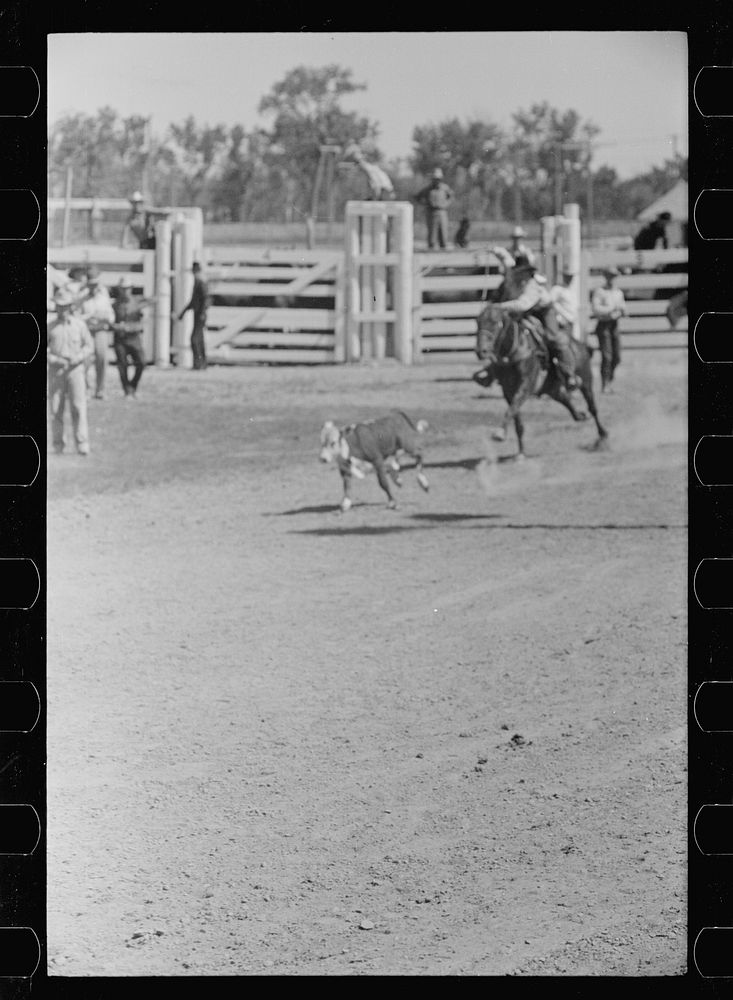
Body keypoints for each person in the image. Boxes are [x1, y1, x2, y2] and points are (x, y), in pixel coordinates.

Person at [494, 256, 579, 391]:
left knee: (553, 338)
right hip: (529, 312)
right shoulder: (519, 283)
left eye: (520, 271)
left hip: (545, 312)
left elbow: (523, 304)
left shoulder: (532, 286)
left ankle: (568, 372)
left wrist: (501, 306)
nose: (517, 274)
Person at [47, 289, 94, 455]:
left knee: (78, 407)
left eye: (66, 306)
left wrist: (78, 357)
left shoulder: (79, 325)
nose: (63, 310)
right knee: (55, 408)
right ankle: (58, 445)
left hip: (75, 370)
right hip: (56, 371)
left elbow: (89, 346)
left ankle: (82, 445)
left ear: (71, 306)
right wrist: (54, 359)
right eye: (60, 306)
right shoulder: (50, 326)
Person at [79, 266, 115, 400]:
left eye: (95, 284)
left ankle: (100, 390)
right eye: (91, 284)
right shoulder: (82, 297)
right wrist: (89, 316)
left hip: (101, 331)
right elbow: (77, 316)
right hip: (87, 331)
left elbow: (111, 316)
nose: (93, 287)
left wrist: (104, 317)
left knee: (102, 359)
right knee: (85, 361)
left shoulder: (103, 296)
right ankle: (86, 389)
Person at [591, 266, 627, 392]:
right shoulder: (600, 291)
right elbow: (596, 309)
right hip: (603, 325)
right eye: (609, 276)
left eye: (613, 276)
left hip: (614, 325)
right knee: (607, 356)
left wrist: (621, 310)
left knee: (617, 356)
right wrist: (611, 309)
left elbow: (623, 307)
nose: (611, 279)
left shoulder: (618, 292)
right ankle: (605, 384)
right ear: (605, 277)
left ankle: (610, 380)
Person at [111, 276, 147, 398]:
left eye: (127, 288)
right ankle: (127, 390)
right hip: (120, 338)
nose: (125, 291)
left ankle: (133, 385)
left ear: (131, 289)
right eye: (123, 289)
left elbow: (143, 321)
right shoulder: (115, 305)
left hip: (134, 338)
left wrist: (131, 327)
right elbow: (111, 321)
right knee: (122, 365)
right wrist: (117, 326)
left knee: (141, 362)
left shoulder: (137, 303)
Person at [177, 261, 210, 370]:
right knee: (199, 339)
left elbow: (205, 299)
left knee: (194, 339)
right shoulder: (199, 282)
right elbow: (194, 302)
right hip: (199, 314)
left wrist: (202, 312)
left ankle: (198, 363)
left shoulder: (200, 282)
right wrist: (183, 313)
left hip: (200, 315)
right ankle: (202, 363)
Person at [416, 168, 454, 250]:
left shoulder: (445, 188)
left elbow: (451, 196)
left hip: (442, 212)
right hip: (431, 213)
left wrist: (446, 204)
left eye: (438, 179)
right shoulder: (428, 189)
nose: (437, 181)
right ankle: (431, 253)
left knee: (443, 234)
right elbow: (418, 197)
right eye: (435, 179)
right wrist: (425, 204)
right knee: (432, 235)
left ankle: (443, 251)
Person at [550, 270, 578, 335]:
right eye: (567, 277)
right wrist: (560, 316)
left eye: (571, 277)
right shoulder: (557, 289)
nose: (569, 279)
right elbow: (552, 303)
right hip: (562, 321)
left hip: (571, 320)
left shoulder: (571, 290)